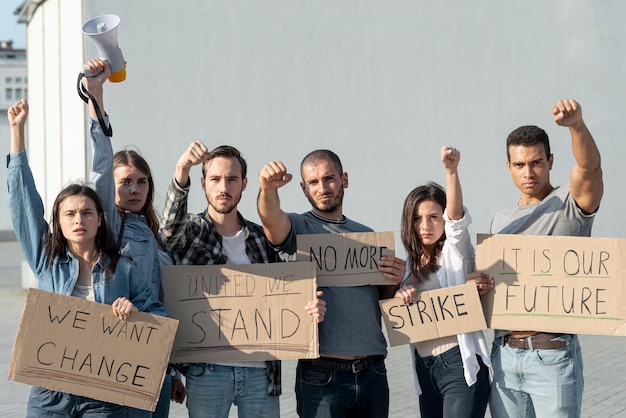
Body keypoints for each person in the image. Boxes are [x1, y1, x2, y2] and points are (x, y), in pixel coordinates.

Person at [7, 99, 169, 417]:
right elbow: (23, 200)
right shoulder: (47, 260)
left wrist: (135, 313)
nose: (78, 219)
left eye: (86, 212)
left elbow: (158, 315)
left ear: (99, 219)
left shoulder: (122, 269)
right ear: (59, 222)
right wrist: (17, 133)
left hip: (105, 394)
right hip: (51, 392)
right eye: (70, 213)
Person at [159, 141, 326, 418]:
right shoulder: (191, 233)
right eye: (215, 179)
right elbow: (168, 233)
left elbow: (288, 291)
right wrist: (182, 169)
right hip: (207, 370)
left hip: (261, 372)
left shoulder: (262, 238)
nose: (223, 187)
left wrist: (310, 308)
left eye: (232, 179)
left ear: (244, 184)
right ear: (202, 183)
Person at [257, 149, 406, 418]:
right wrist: (267, 188)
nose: (323, 188)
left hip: (373, 371)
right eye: (313, 182)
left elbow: (383, 300)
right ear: (303, 188)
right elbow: (270, 219)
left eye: (329, 179)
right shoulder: (298, 228)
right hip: (321, 374)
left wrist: (394, 282)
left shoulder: (368, 237)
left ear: (344, 179)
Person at [81, 59, 185, 417]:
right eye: (125, 182)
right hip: (118, 357)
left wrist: (171, 370)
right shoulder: (107, 224)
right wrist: (97, 96)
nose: (135, 189)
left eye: (141, 181)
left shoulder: (156, 236)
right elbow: (100, 167)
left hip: (155, 362)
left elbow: (160, 300)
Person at [488, 99, 603, 418]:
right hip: (505, 358)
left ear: (551, 161)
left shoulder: (569, 203)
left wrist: (577, 126)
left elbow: (590, 169)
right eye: (520, 165)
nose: (529, 172)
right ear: (508, 166)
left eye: (537, 162)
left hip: (552, 358)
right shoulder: (501, 220)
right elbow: (498, 283)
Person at [394, 146, 493, 418]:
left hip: (459, 365)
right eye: (417, 218)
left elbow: (457, 223)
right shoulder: (408, 266)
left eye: (433, 217)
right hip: (425, 370)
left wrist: (451, 171)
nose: (425, 225)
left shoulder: (455, 253)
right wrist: (402, 297)